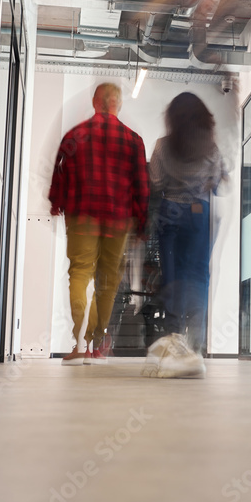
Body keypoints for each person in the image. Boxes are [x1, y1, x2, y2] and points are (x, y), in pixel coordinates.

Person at [49, 83, 149, 365]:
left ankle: (79, 342)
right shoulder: (133, 140)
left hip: (82, 214)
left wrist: (56, 202)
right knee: (107, 280)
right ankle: (96, 344)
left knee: (79, 273)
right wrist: (141, 219)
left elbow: (59, 174)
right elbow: (142, 186)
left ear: (95, 102)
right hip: (117, 218)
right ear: (118, 104)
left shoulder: (74, 135)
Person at [146, 92, 228, 378]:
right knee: (198, 278)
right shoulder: (211, 147)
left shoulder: (162, 146)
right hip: (199, 216)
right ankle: (195, 348)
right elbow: (217, 182)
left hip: (170, 214)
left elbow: (154, 184)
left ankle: (173, 344)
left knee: (173, 277)